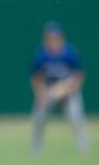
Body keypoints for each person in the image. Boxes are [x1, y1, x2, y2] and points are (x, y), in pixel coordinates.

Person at [29, 20, 89, 155]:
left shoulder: (70, 54)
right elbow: (36, 78)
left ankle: (83, 147)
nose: (52, 41)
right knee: (38, 117)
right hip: (49, 92)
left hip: (68, 92)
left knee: (76, 117)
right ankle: (36, 147)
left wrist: (68, 89)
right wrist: (41, 93)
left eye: (55, 37)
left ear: (61, 38)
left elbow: (79, 76)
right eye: (49, 38)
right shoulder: (41, 56)